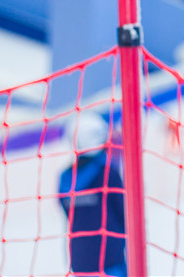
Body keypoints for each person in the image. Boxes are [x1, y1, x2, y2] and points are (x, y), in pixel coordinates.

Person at [58, 112, 127, 277]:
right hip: (110, 259)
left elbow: (67, 212)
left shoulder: (65, 178)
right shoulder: (108, 174)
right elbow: (124, 215)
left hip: (80, 260)